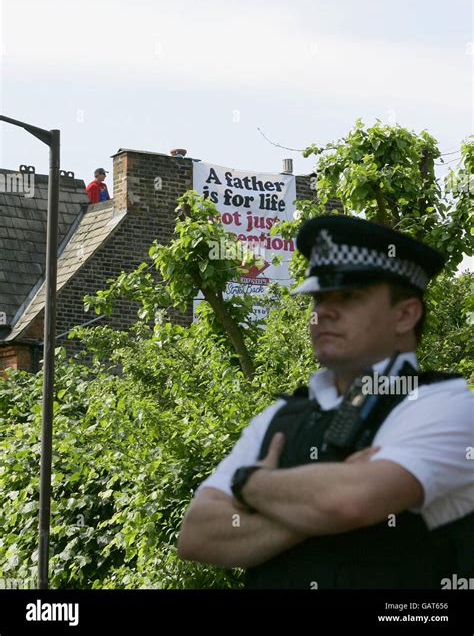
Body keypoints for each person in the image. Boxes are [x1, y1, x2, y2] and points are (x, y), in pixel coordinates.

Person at [177, 214, 473, 589]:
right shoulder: (278, 416)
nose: (324, 311)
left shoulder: (446, 406)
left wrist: (249, 483)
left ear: (405, 314)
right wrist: (319, 501)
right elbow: (197, 534)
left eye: (348, 296)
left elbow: (350, 501)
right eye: (319, 297)